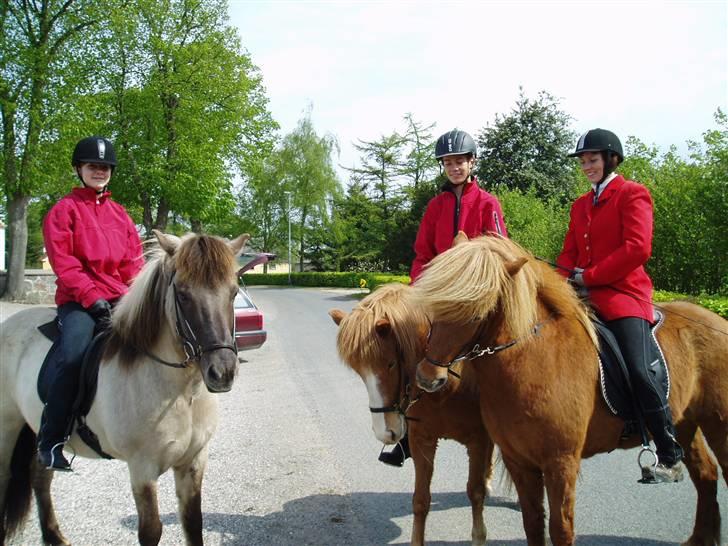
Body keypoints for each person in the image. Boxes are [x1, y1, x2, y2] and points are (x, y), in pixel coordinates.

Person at [556, 128, 684, 483]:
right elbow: (569, 251)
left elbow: (638, 248)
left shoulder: (632, 194)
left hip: (625, 295)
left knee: (639, 368)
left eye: (592, 160)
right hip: (581, 296)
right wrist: (561, 278)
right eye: (583, 161)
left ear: (611, 159)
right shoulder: (580, 205)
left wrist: (590, 276)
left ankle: (669, 452)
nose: (586, 166)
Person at [379, 129, 508, 467]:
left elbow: (498, 250)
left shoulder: (487, 202)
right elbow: (422, 253)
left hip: (474, 298)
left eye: (459, 161)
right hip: (438, 297)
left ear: (472, 162)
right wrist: (421, 289)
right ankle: (407, 434)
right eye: (448, 163)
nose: (454, 168)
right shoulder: (435, 205)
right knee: (410, 349)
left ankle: (503, 428)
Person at [38, 136, 144, 471]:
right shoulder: (62, 212)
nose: (99, 171)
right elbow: (65, 264)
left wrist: (132, 297)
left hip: (118, 298)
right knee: (73, 357)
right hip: (79, 301)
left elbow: (133, 264)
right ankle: (51, 438)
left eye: (104, 166)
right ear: (79, 169)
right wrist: (91, 298)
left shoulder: (120, 215)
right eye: (92, 166)